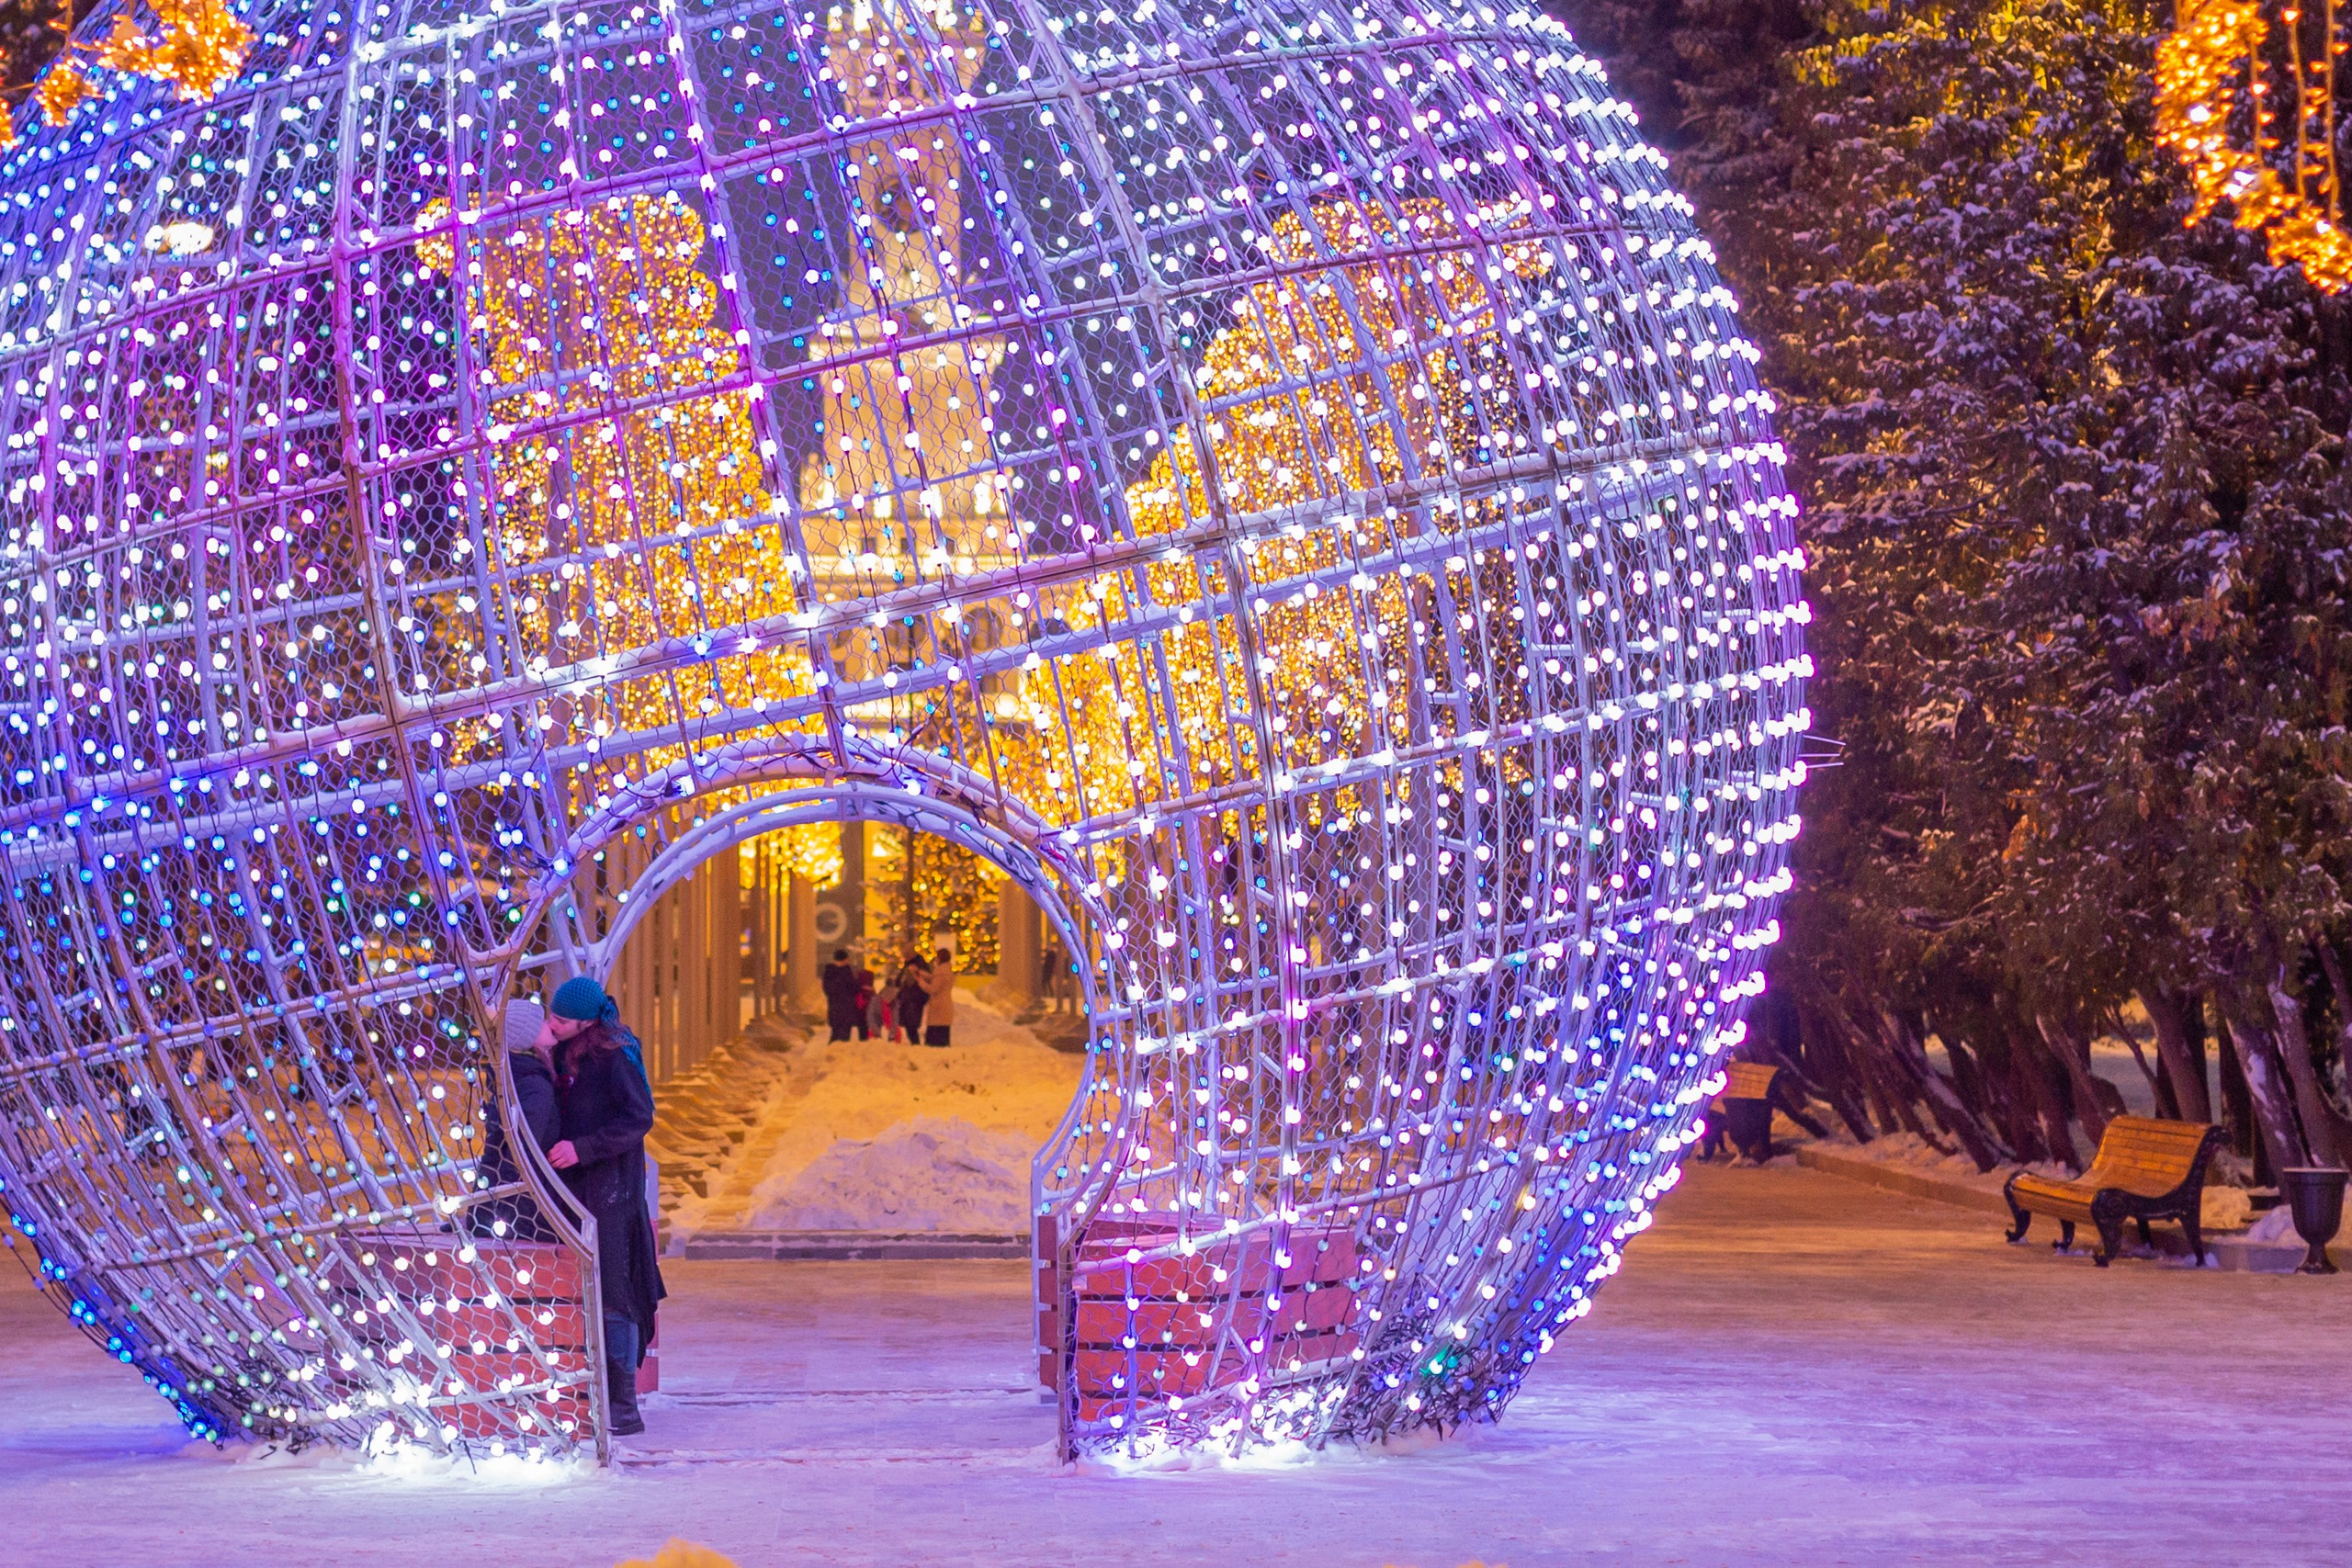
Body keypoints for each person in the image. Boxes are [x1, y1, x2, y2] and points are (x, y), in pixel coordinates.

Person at [546, 975, 666, 1438]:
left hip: (611, 1192)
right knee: (598, 1290)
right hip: (585, 1189)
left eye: (560, 1019)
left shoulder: (614, 1054)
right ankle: (605, 1397)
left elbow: (639, 1117)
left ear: (585, 1021)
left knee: (615, 1292)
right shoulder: (567, 1049)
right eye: (551, 1016)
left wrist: (585, 1148)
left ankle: (622, 1405)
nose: (553, 1025)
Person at [468, 998, 560, 1242]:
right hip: (525, 1212)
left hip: (505, 1205)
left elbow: (496, 1149)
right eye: (539, 1022)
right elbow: (521, 1153)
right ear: (526, 1039)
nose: (548, 1024)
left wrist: (479, 1210)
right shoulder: (535, 1085)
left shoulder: (511, 1078)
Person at [820, 948, 863, 1042]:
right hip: (846, 1008)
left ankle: (832, 1053)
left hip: (834, 1008)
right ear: (845, 959)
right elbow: (855, 987)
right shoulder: (846, 972)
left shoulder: (829, 972)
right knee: (844, 1036)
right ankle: (837, 1054)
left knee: (836, 1033)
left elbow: (827, 990)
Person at [891, 953, 931, 1044]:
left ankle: (915, 1044)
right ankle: (915, 1044)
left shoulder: (917, 968)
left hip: (913, 1000)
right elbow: (899, 982)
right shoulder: (912, 967)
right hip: (909, 1000)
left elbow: (900, 982)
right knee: (910, 1025)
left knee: (911, 1025)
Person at [922, 946, 956, 1047]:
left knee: (934, 1042)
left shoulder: (940, 972)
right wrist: (921, 974)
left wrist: (920, 981)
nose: (935, 959)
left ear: (940, 958)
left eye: (937, 957)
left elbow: (933, 989)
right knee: (944, 1038)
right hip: (945, 1007)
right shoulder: (947, 971)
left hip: (938, 1008)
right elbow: (933, 978)